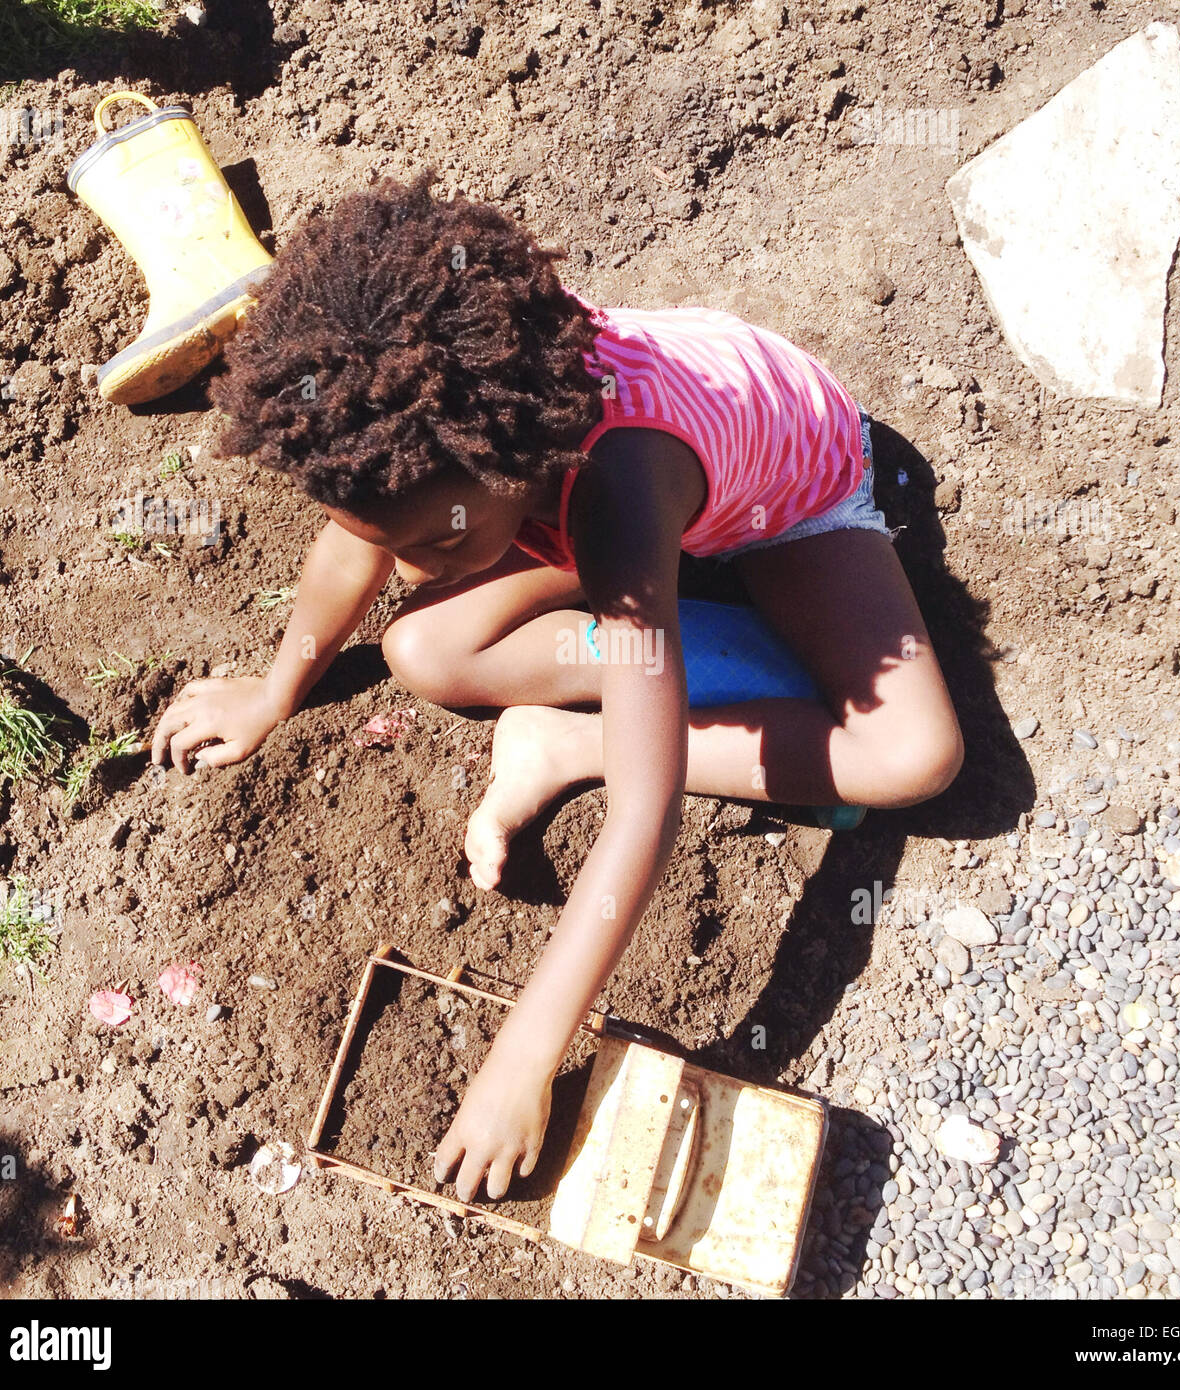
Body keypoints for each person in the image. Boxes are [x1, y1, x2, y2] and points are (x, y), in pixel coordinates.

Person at [151, 171, 963, 1203]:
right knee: (425, 652)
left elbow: (647, 807)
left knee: (914, 757)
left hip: (780, 491)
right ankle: (630, 677)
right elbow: (353, 546)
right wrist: (272, 691)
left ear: (504, 466)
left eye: (421, 542)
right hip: (580, 496)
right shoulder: (425, 424)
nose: (399, 568)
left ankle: (567, 740)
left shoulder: (615, 493)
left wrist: (522, 1060)